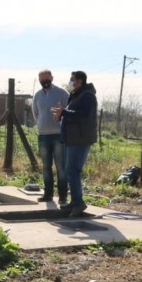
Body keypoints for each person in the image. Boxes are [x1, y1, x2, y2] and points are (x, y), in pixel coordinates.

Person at [53, 71, 98, 217]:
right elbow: (72, 113)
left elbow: (84, 114)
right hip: (72, 139)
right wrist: (62, 114)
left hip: (80, 139)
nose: (70, 82)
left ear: (79, 81)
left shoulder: (87, 96)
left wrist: (64, 113)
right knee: (70, 171)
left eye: (72, 79)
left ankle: (78, 203)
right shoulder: (76, 94)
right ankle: (74, 202)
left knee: (73, 171)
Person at [32, 69, 69, 205]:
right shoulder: (37, 95)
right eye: (42, 80)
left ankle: (63, 196)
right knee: (46, 167)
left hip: (59, 135)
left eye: (46, 79)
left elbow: (69, 111)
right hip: (43, 136)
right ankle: (48, 195)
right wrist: (42, 124)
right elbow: (36, 113)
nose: (44, 82)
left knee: (61, 166)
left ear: (52, 78)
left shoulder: (62, 93)